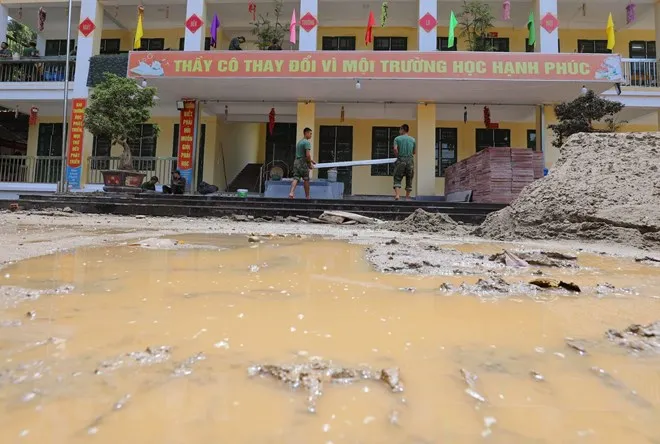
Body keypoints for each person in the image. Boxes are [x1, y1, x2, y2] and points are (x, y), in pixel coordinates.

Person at [289, 127, 315, 199]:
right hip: (303, 163)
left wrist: (311, 160)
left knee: (296, 178)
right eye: (310, 134)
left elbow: (301, 154)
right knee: (306, 179)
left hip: (296, 162)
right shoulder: (307, 143)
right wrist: (309, 164)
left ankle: (291, 192)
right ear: (306, 133)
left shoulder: (299, 142)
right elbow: (307, 155)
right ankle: (307, 196)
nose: (311, 135)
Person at [392, 123, 416, 201]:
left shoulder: (397, 139)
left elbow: (395, 149)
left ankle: (397, 195)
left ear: (402, 130)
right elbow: (414, 152)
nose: (399, 131)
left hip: (400, 159)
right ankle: (407, 197)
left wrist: (398, 156)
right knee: (409, 178)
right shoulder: (413, 140)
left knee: (397, 177)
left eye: (400, 129)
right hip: (410, 161)